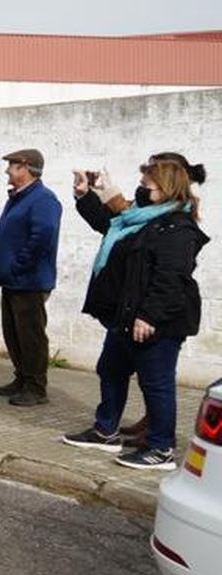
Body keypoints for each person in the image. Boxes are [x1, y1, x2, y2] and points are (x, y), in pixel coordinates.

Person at [60, 158, 208, 470]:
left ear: (166, 189)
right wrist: (85, 195)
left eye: (146, 186)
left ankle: (160, 449)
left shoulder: (177, 228)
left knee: (156, 383)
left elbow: (171, 277)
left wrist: (150, 316)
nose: (140, 190)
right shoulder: (141, 218)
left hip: (156, 322)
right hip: (125, 315)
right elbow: (108, 223)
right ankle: (106, 431)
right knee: (110, 370)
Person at [0, 149, 63, 407]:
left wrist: (18, 266)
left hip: (29, 280)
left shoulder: (43, 199)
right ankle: (22, 377)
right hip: (13, 280)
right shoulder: (20, 198)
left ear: (25, 167)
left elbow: (43, 236)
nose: (7, 170)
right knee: (14, 333)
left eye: (11, 166)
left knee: (31, 335)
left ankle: (35, 386)